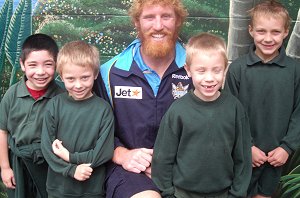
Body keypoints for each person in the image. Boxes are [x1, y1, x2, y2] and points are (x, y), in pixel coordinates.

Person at [93, 0, 193, 197]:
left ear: (178, 21)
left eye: (166, 16)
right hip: (129, 170)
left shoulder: (197, 70)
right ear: (137, 23)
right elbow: (94, 130)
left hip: (185, 168)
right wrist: (122, 155)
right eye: (149, 17)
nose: (158, 26)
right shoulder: (110, 73)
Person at [152, 32, 252, 198]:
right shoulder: (178, 111)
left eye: (216, 70)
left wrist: (236, 194)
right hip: (182, 194)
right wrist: (168, 193)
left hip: (224, 193)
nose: (209, 78)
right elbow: (162, 158)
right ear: (188, 71)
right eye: (201, 71)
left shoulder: (234, 109)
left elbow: (243, 157)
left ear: (225, 70)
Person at [225, 1, 300, 198]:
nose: (268, 38)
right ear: (251, 30)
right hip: (243, 158)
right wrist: (246, 146)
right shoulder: (237, 70)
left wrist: (287, 147)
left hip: (277, 157)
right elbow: (229, 114)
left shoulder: (295, 71)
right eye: (261, 31)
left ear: (285, 32)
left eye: (275, 32)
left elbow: (299, 113)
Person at [41, 40, 114, 198]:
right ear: (61, 77)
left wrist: (70, 157)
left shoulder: (104, 110)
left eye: (85, 77)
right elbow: (47, 148)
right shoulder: (54, 105)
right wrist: (71, 170)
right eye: (71, 79)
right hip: (58, 188)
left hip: (91, 190)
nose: (78, 85)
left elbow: (104, 153)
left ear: (95, 74)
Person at [0, 33, 63, 198]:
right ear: (22, 64)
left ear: (56, 64)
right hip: (18, 164)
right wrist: (5, 168)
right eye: (33, 65)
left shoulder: (62, 96)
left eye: (48, 64)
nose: (40, 72)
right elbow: (2, 131)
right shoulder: (12, 94)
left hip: (49, 166)